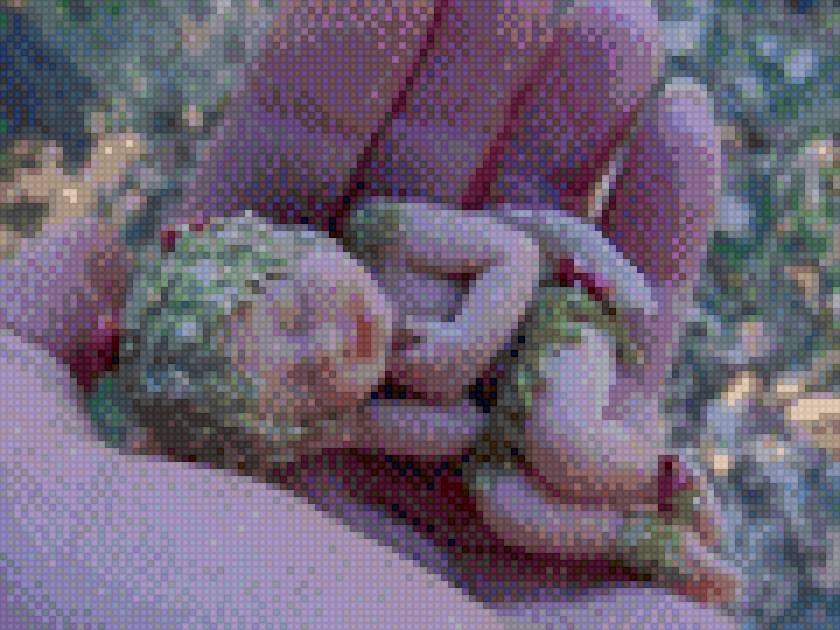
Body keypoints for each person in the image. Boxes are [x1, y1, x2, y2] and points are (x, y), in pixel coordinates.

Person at [0, 0, 742, 625]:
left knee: (560, 438)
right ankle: (642, 541)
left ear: (292, 247)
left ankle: (667, 483)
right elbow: (459, 433)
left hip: (546, 326)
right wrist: (360, 429)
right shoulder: (354, 417)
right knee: (511, 509)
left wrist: (465, 341)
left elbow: (512, 255)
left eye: (295, 313)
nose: (326, 348)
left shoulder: (383, 236)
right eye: (301, 384)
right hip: (497, 441)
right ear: (295, 430)